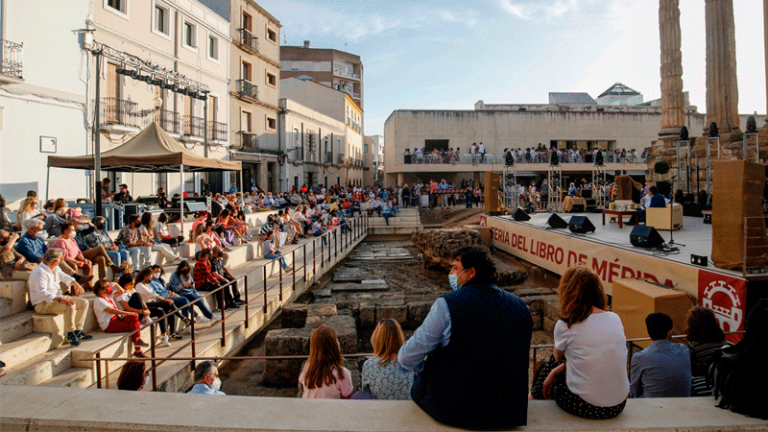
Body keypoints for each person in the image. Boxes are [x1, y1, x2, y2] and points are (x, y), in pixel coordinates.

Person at [398, 246, 532, 429]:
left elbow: (407, 357)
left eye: (455, 268)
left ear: (471, 272)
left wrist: (423, 367)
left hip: (455, 412)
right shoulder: (520, 306)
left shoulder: (446, 306)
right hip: (507, 413)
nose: (451, 273)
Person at [533, 266, 628, 419]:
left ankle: (533, 396)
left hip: (585, 405)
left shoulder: (566, 324)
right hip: (618, 405)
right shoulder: (614, 318)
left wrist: (555, 371)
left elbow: (557, 359)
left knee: (553, 364)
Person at [28, 248, 92, 347]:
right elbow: (42, 292)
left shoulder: (55, 268)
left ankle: (78, 331)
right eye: (60, 259)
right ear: (55, 261)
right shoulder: (39, 272)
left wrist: (75, 283)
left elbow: (64, 277)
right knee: (69, 305)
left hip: (57, 297)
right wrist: (60, 299)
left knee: (84, 302)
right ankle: (70, 333)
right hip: (43, 304)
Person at [630, 312, 692, 398]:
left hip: (653, 407)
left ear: (648, 331)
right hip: (683, 405)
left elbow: (634, 391)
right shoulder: (684, 350)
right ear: (669, 333)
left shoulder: (640, 358)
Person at [359, 319, 414, 400]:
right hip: (408, 411)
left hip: (380, 411)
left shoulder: (369, 365)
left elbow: (367, 395)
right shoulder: (412, 364)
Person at [92, 279, 147, 357]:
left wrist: (116, 284)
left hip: (116, 319)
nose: (110, 288)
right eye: (108, 287)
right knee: (134, 327)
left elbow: (122, 292)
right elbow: (112, 311)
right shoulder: (99, 301)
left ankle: (138, 343)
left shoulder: (107, 297)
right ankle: (138, 349)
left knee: (134, 318)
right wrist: (128, 313)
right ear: (102, 289)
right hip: (109, 324)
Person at [685, 306, 732, 395]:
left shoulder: (693, 346)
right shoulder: (727, 344)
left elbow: (689, 370)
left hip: (703, 386)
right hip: (725, 386)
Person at [299, 324, 354, 399]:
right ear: (335, 345)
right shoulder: (342, 373)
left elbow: (302, 386)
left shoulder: (308, 367)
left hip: (308, 409)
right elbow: (347, 398)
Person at [133, 267, 178, 347]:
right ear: (146, 276)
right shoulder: (139, 285)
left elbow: (153, 295)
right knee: (163, 308)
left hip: (151, 303)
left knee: (170, 306)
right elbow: (151, 294)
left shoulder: (146, 284)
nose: (151, 277)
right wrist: (165, 299)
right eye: (151, 275)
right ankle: (166, 333)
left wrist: (167, 298)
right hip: (145, 306)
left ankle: (171, 331)